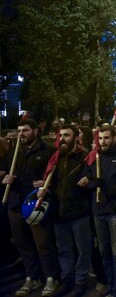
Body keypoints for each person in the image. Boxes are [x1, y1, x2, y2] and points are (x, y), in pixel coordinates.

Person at [1, 119, 60, 297]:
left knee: (43, 244)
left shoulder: (49, 150)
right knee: (22, 243)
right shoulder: (13, 151)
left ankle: (51, 276)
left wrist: (46, 183)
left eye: (25, 130)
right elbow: (3, 171)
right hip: (15, 204)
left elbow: (57, 176)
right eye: (19, 131)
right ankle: (32, 276)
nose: (21, 134)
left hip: (37, 205)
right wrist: (4, 179)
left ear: (35, 131)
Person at [40, 124, 92, 297]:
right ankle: (67, 279)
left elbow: (94, 178)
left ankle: (81, 281)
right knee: (64, 249)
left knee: (83, 250)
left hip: (79, 212)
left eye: (67, 135)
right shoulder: (55, 158)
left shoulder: (86, 157)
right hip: (59, 213)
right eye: (60, 135)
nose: (62, 138)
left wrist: (89, 179)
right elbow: (50, 181)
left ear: (76, 137)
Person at [80, 124, 116, 297]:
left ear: (114, 137)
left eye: (106, 138)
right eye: (100, 138)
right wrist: (93, 183)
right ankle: (110, 283)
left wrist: (109, 189)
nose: (103, 141)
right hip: (98, 211)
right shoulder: (94, 156)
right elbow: (86, 180)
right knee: (104, 252)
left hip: (115, 211)